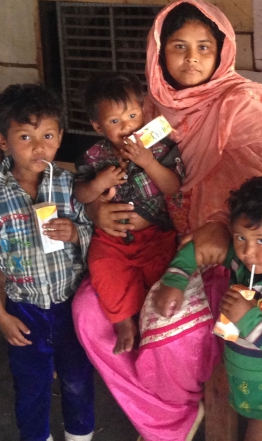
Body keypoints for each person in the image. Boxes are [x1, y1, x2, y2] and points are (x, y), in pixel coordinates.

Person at [72, 0, 262, 441]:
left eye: (203, 47)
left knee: (174, 337)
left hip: (225, 255)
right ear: (159, 52)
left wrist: (223, 223)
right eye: (178, 46)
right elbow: (110, 175)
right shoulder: (148, 111)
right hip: (154, 243)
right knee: (87, 312)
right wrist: (100, 210)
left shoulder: (242, 104)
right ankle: (165, 420)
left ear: (222, 52)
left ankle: (164, 419)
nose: (191, 58)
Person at [0, 84, 95, 441]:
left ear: (60, 136)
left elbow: (95, 237)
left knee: (78, 378)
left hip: (71, 304)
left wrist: (76, 233)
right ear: (2, 141)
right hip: (24, 312)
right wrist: (2, 317)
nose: (40, 147)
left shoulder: (69, 185)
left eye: (48, 135)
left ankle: (80, 436)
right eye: (25, 136)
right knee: (32, 385)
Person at [155, 176, 262, 441]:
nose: (248, 252)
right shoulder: (242, 262)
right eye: (241, 237)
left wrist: (249, 320)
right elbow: (198, 248)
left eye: (261, 241)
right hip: (239, 384)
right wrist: (175, 281)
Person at [74, 74, 185, 355]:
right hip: (113, 238)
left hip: (156, 235)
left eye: (133, 116)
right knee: (101, 264)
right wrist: (98, 184)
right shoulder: (94, 156)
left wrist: (148, 162)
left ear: (144, 113)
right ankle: (124, 323)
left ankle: (154, 325)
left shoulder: (159, 148)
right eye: (114, 122)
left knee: (162, 274)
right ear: (97, 125)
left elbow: (173, 187)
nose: (126, 127)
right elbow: (81, 194)